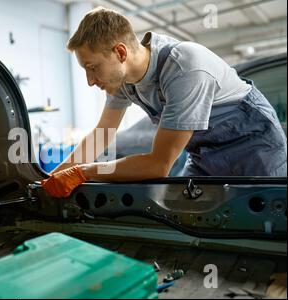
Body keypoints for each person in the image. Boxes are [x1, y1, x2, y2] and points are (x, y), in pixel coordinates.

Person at [41, 7, 287, 198]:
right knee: (180, 215)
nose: (90, 81)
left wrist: (84, 172)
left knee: (266, 229)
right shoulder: (123, 82)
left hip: (256, 149)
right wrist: (51, 177)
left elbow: (158, 165)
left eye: (92, 68)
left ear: (120, 53)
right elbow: (101, 136)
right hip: (205, 156)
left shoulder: (185, 67)